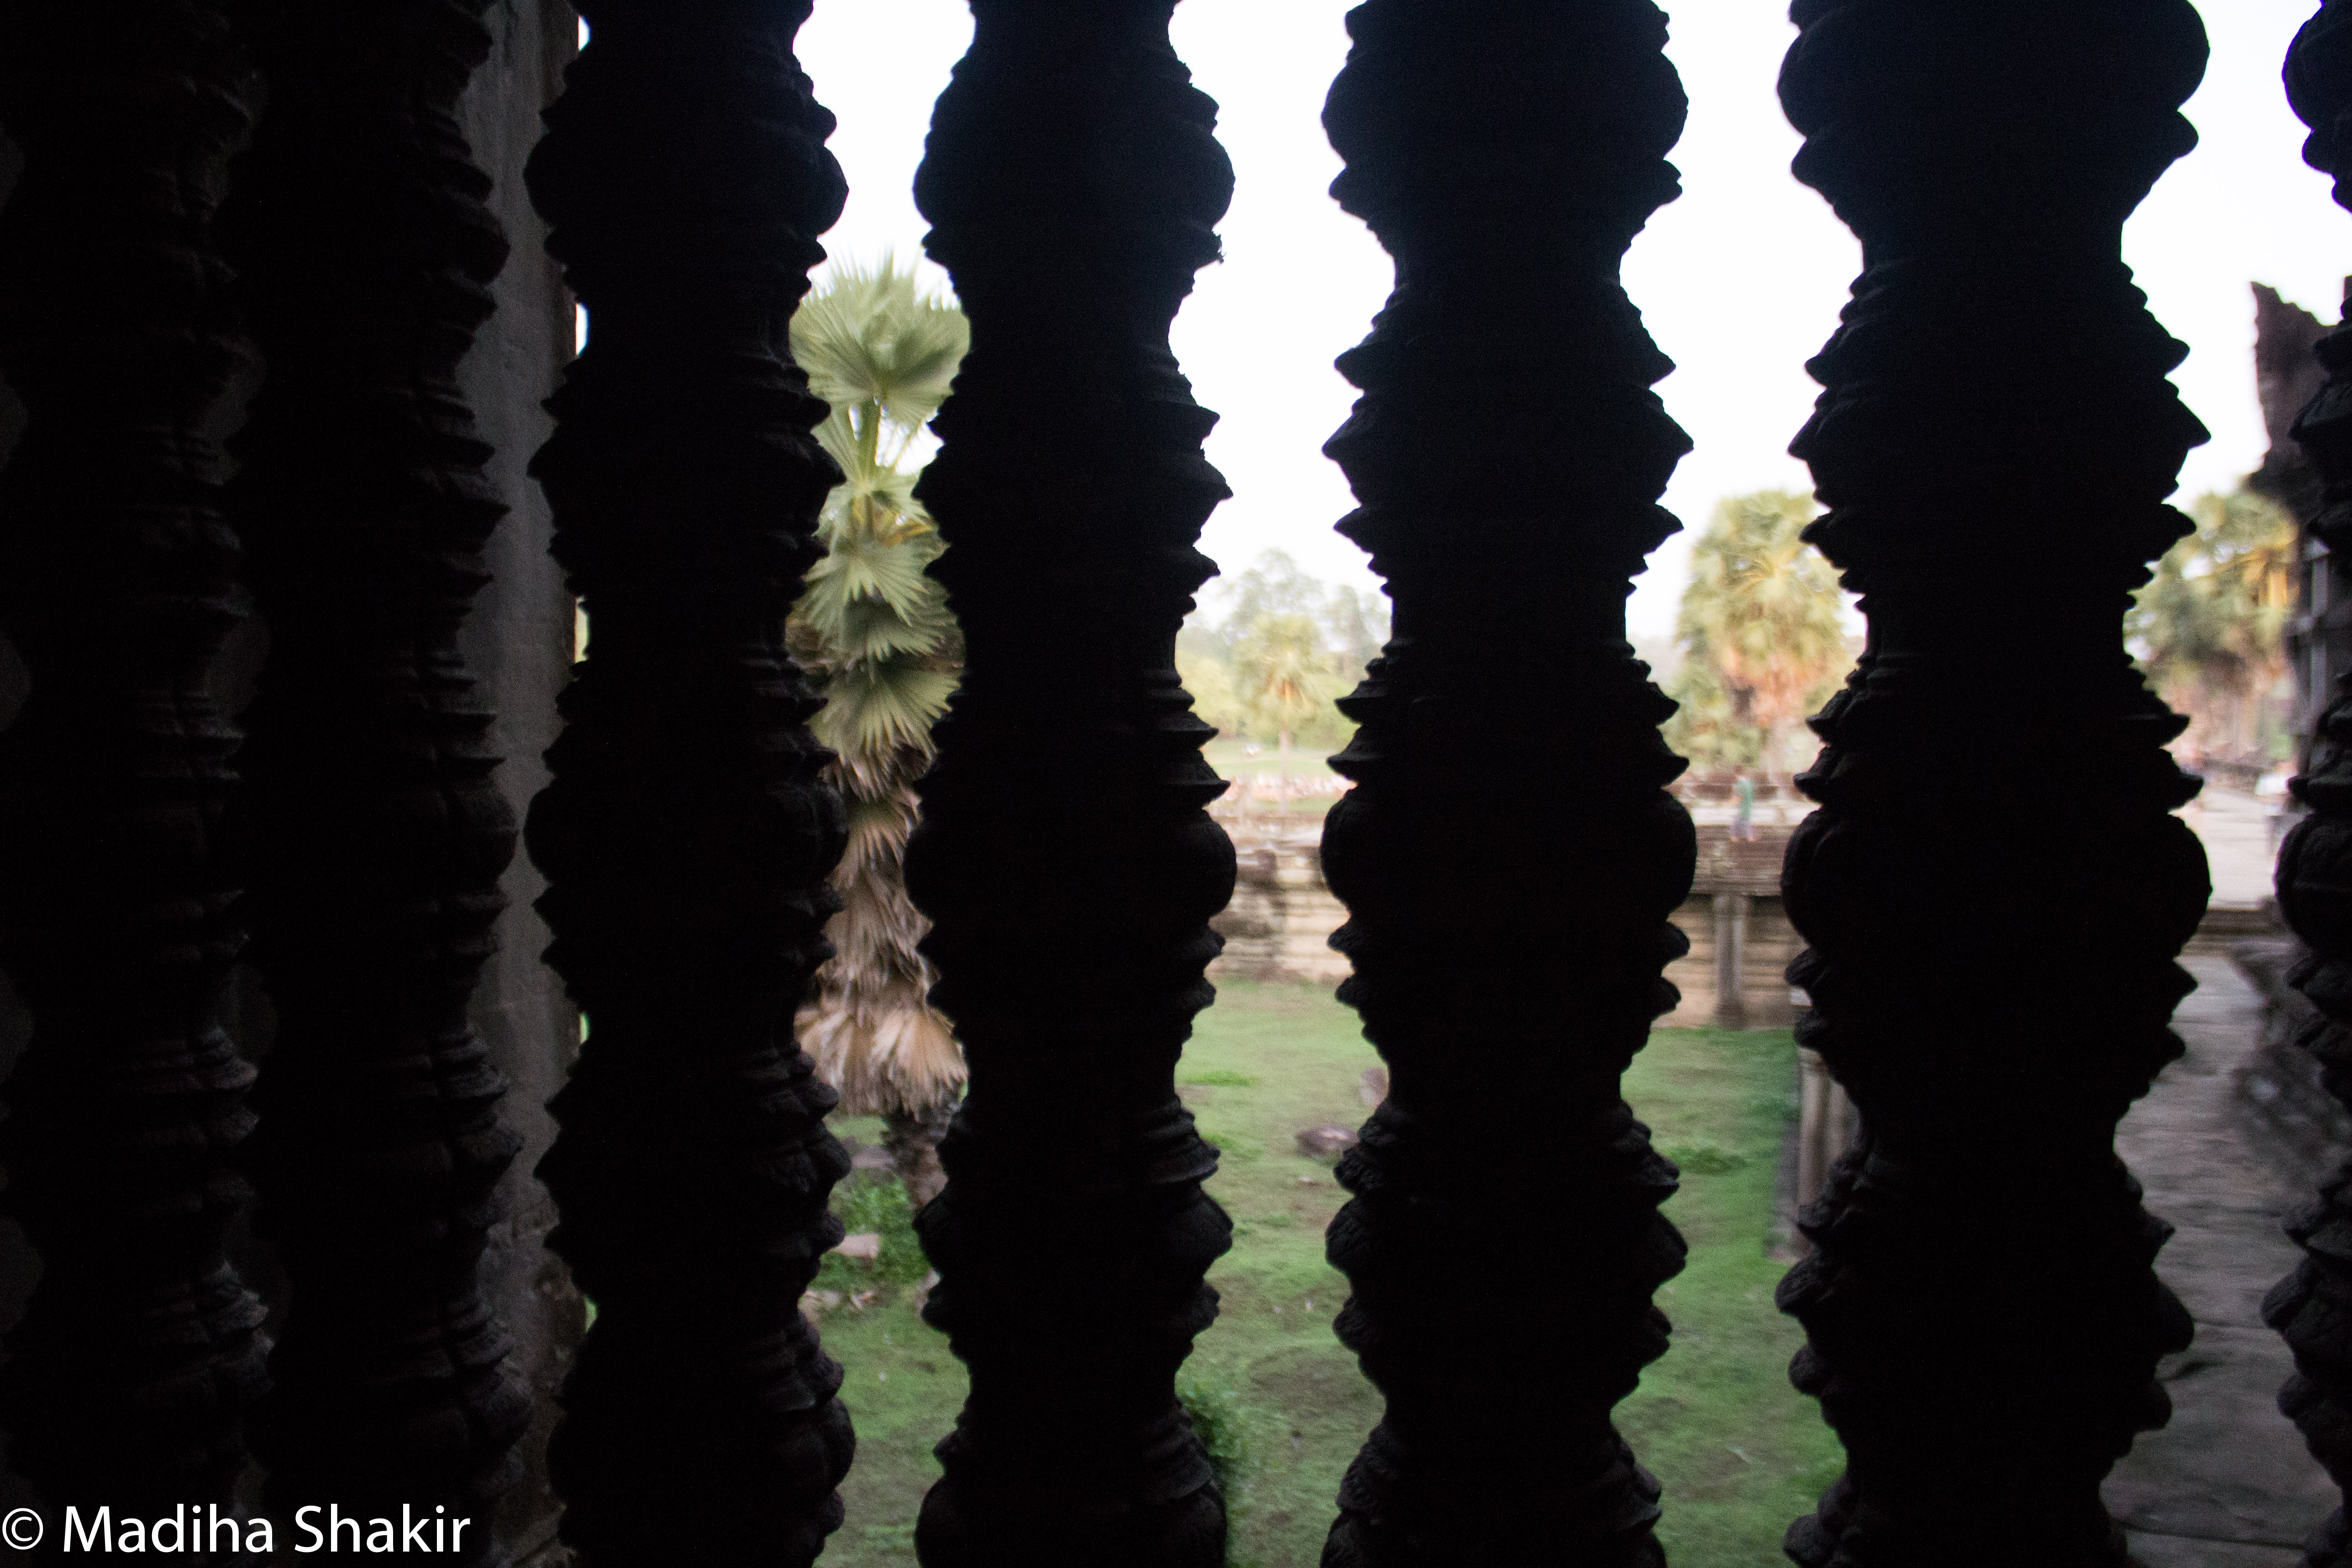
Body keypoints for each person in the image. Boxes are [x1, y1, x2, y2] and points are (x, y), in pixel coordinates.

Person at [1732, 768, 1756, 842]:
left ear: (1736, 774)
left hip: (1743, 810)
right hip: (1747, 809)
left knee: (1735, 829)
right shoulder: (1748, 783)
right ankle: (1749, 839)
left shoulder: (1741, 784)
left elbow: (1738, 798)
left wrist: (1727, 806)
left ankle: (1746, 840)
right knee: (1744, 825)